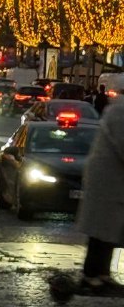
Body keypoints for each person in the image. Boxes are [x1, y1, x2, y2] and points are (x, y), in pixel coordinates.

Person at [75, 95, 124, 295]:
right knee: (101, 229)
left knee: (110, 228)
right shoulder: (120, 112)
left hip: (112, 180)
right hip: (107, 180)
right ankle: (91, 276)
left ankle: (102, 274)